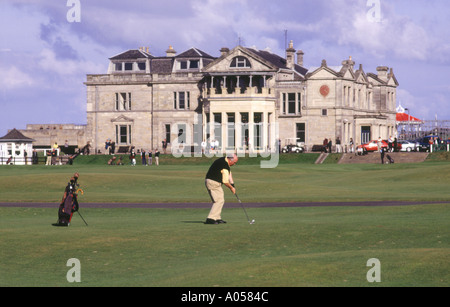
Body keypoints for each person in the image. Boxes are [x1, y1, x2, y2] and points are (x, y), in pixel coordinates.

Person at [205, 154, 238, 225]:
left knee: (220, 200)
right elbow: (225, 181)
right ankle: (210, 219)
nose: (234, 164)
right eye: (234, 162)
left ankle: (217, 217)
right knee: (218, 200)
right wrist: (231, 188)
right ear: (230, 160)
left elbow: (229, 174)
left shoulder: (224, 161)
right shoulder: (224, 165)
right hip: (213, 182)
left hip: (213, 182)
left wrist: (233, 185)